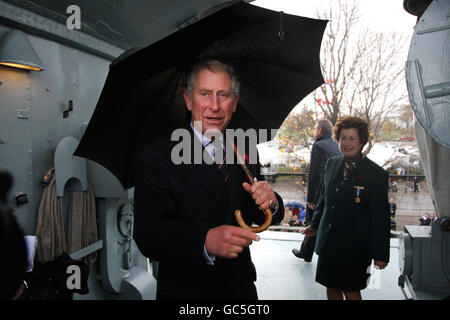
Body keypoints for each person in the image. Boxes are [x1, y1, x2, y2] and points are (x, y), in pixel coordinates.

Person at [133, 59, 284, 300]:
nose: (214, 106)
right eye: (205, 94)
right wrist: (204, 240)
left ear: (234, 103)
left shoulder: (246, 149)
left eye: (223, 95)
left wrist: (271, 202)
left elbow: (258, 215)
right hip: (187, 293)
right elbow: (148, 235)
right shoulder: (156, 157)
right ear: (188, 99)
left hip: (240, 290)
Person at [303, 116, 390, 300]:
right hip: (330, 242)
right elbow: (323, 199)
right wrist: (314, 224)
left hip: (355, 247)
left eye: (352, 138)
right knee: (331, 287)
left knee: (351, 290)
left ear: (362, 141)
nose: (347, 143)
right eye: (343, 138)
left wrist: (381, 254)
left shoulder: (376, 175)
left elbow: (380, 217)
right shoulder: (331, 164)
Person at [292, 119, 340, 262]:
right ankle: (306, 252)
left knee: (313, 221)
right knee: (319, 222)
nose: (314, 132)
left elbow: (315, 174)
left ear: (319, 131)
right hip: (333, 190)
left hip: (321, 192)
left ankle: (306, 253)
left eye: (314, 129)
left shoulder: (319, 146)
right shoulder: (335, 144)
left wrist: (312, 199)